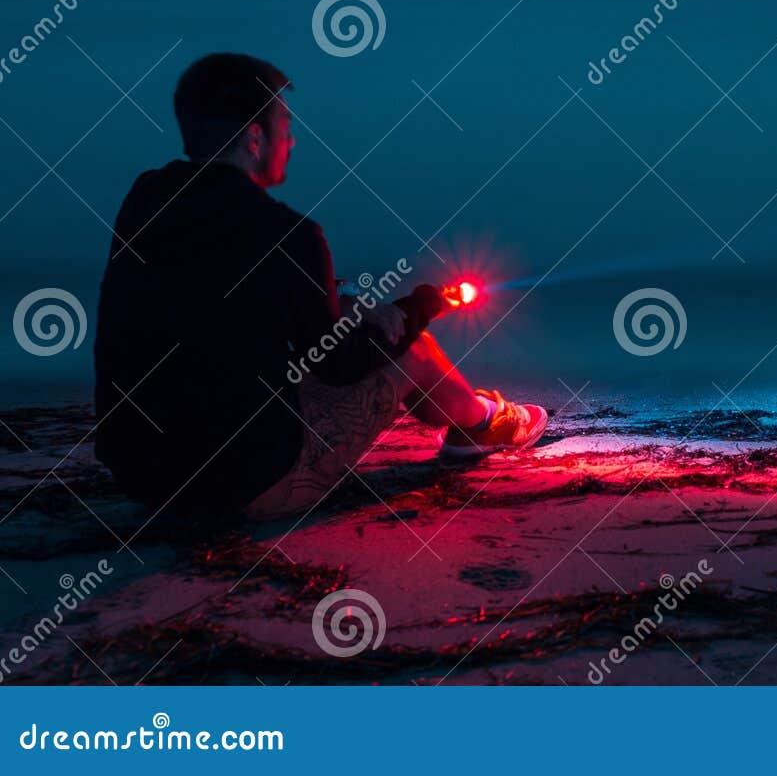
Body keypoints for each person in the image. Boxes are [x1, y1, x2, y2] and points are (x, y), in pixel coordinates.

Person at [93, 52, 546, 521]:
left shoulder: (145, 199)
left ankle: (474, 421)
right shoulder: (288, 233)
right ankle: (483, 425)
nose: (291, 139)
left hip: (144, 479)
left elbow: (215, 311)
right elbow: (341, 365)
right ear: (255, 137)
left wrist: (341, 308)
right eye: (284, 124)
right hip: (241, 491)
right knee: (420, 350)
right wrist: (417, 308)